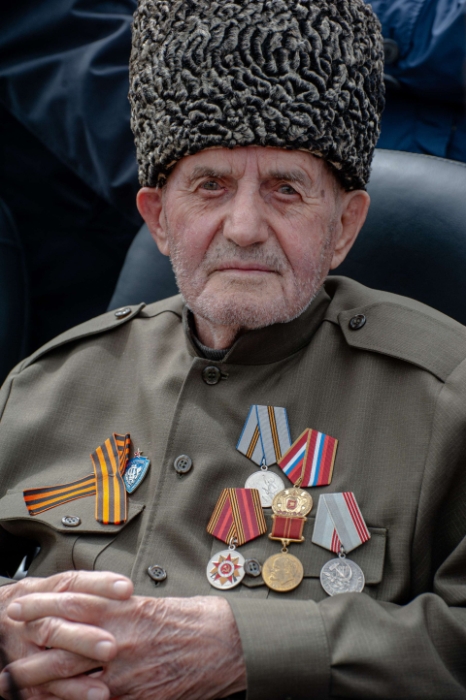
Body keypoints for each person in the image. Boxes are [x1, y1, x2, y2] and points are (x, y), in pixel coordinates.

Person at [0, 1, 465, 700]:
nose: (244, 227)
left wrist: (250, 650)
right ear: (159, 219)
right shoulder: (49, 382)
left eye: (286, 189)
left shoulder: (446, 395)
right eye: (210, 186)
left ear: (344, 226)